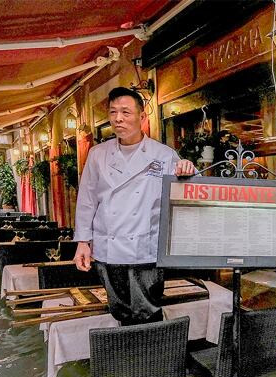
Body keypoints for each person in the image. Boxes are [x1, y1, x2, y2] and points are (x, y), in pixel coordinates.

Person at [74, 87, 196, 325]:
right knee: (119, 310)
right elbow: (87, 200)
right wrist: (82, 242)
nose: (118, 118)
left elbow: (183, 193)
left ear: (142, 117)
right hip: (108, 247)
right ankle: (128, 357)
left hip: (146, 247)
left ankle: (153, 358)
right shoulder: (97, 154)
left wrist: (187, 169)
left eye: (126, 112)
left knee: (149, 309)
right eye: (113, 112)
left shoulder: (163, 154)